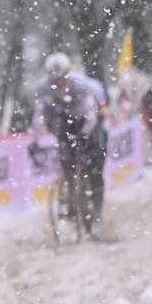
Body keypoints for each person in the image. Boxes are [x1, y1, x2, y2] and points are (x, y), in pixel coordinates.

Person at [31, 52, 108, 221]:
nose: (58, 83)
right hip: (62, 119)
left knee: (94, 163)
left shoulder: (79, 83)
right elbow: (39, 115)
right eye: (54, 80)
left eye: (61, 78)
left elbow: (91, 113)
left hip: (84, 117)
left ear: (67, 74)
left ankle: (96, 205)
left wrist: (85, 134)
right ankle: (71, 199)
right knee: (67, 160)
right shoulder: (43, 88)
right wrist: (35, 140)